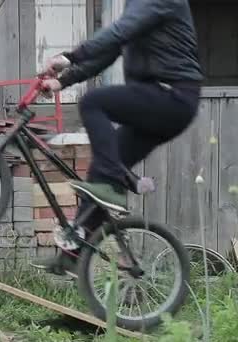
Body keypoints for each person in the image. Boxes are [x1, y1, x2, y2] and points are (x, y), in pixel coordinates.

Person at [40, 0, 203, 275]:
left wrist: (71, 55)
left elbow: (118, 32)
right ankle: (72, 253)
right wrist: (62, 82)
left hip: (171, 94)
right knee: (99, 177)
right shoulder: (136, 4)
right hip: (162, 102)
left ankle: (115, 178)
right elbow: (111, 50)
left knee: (93, 102)